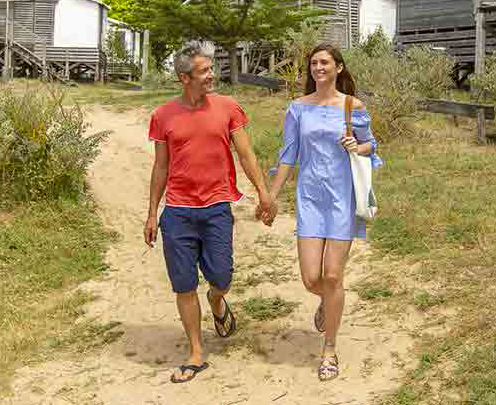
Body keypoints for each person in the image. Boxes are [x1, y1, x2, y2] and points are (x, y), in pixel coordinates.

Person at [144, 41, 275, 384]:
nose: (211, 75)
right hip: (178, 212)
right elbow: (160, 167)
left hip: (217, 208)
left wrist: (263, 193)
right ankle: (197, 352)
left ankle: (217, 302)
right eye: (204, 71)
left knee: (222, 277)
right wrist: (151, 212)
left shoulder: (228, 107)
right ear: (185, 77)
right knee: (183, 285)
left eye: (210, 68)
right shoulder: (163, 116)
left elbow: (246, 155)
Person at [264, 43, 382, 381]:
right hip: (311, 198)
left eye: (325, 62)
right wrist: (272, 196)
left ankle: (329, 350)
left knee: (333, 276)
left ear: (339, 68)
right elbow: (289, 155)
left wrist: (357, 146)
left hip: (343, 197)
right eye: (314, 63)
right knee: (311, 279)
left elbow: (371, 144)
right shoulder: (298, 108)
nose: (318, 68)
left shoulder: (351, 105)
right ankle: (328, 302)